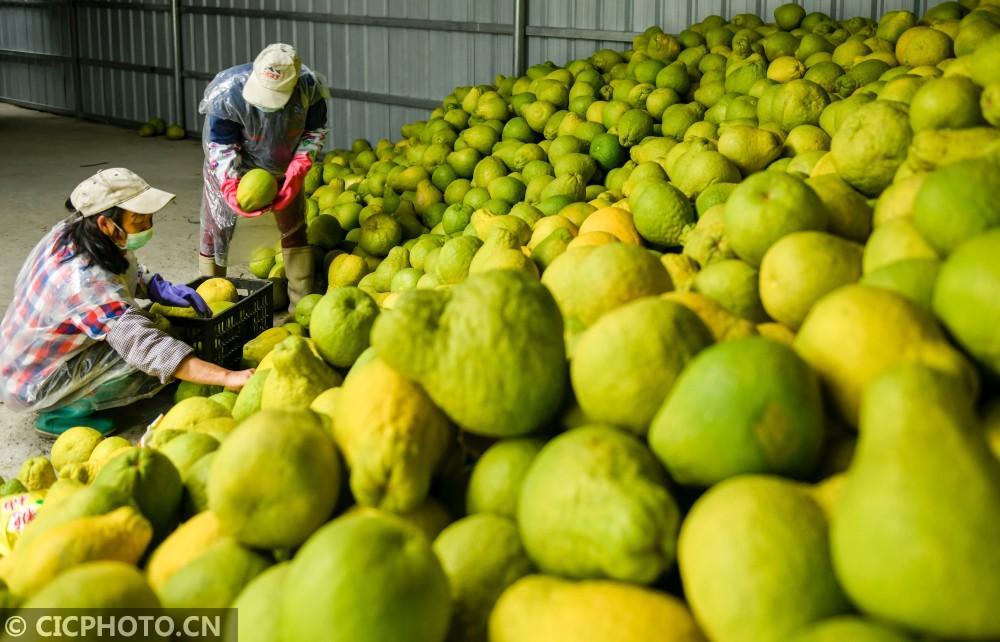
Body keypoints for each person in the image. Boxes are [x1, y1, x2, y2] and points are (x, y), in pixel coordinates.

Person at [0, 168, 254, 436]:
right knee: (142, 358)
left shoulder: (74, 231)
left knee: (150, 326)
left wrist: (155, 286)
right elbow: (146, 347)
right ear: (106, 224)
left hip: (28, 356)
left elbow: (119, 265)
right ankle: (60, 413)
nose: (148, 227)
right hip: (36, 381)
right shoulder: (84, 283)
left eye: (149, 218)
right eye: (138, 221)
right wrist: (228, 377)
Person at [198, 42, 329, 309]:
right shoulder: (228, 92)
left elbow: (314, 132)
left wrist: (297, 169)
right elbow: (221, 143)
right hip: (233, 165)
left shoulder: (309, 90)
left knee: (293, 227)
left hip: (282, 167)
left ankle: (300, 306)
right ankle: (208, 302)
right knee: (217, 228)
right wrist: (229, 185)